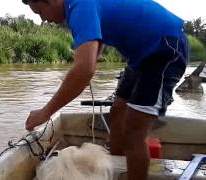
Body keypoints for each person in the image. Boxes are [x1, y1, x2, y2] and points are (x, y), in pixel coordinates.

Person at [22, 0, 189, 179]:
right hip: (139, 55)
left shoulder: (79, 5)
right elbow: (97, 36)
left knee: (134, 133)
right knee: (118, 111)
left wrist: (45, 112)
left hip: (164, 48)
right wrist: (92, 58)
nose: (43, 19)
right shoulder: (78, 6)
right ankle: (115, 167)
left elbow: (84, 71)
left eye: (40, 11)